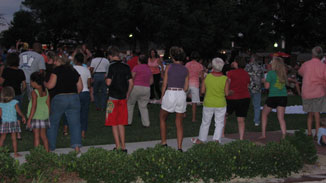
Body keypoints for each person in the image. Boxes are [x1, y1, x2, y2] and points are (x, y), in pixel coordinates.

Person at [45, 54, 83, 153]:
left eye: (55, 61)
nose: (54, 62)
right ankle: (77, 147)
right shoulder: (73, 70)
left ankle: (50, 147)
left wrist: (43, 83)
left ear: (59, 61)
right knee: (75, 124)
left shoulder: (56, 70)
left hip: (60, 98)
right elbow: (80, 87)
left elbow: (50, 86)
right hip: (74, 97)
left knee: (53, 123)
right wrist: (72, 95)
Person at [191, 57, 229, 144]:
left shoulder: (207, 77)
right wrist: (231, 92)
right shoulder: (225, 79)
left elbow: (202, 91)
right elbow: (226, 93)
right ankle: (216, 140)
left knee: (205, 122)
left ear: (212, 66)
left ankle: (202, 139)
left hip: (208, 102)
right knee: (219, 123)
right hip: (220, 103)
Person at [160, 46, 189, 151]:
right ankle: (179, 147)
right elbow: (186, 88)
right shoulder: (186, 69)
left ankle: (164, 143)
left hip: (171, 93)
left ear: (172, 56)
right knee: (179, 123)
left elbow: (164, 84)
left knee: (163, 118)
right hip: (181, 94)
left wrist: (162, 96)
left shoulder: (169, 67)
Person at [105, 46, 133, 152]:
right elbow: (131, 82)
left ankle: (117, 146)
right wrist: (127, 94)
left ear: (111, 56)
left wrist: (105, 78)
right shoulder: (126, 66)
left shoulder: (110, 66)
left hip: (112, 98)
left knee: (113, 122)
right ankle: (124, 146)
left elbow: (108, 82)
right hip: (122, 98)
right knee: (121, 122)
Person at [298, 46, 326, 139]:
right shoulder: (323, 66)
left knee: (309, 113)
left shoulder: (306, 64)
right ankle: (317, 133)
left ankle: (309, 132)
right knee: (317, 112)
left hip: (307, 91)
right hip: (319, 91)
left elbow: (300, 73)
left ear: (313, 54)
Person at [259, 57, 288, 139]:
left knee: (264, 114)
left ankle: (263, 134)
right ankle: (284, 135)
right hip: (283, 96)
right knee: (281, 118)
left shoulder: (271, 73)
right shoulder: (283, 73)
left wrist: (264, 81)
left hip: (273, 96)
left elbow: (267, 87)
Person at [0, 53, 26, 140]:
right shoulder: (21, 71)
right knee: (17, 113)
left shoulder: (6, 71)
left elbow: (1, 82)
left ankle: (5, 129)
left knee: (5, 112)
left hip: (6, 95)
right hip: (17, 94)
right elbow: (24, 85)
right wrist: (21, 91)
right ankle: (18, 134)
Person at [224, 56, 250, 140]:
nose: (233, 63)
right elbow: (247, 85)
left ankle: (222, 134)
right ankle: (241, 138)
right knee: (241, 119)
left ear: (237, 63)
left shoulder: (231, 73)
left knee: (223, 115)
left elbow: (227, 84)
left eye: (234, 61)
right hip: (245, 98)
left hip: (232, 98)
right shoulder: (246, 73)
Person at [26, 72, 50, 152]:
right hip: (44, 115)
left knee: (36, 136)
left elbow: (34, 106)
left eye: (31, 81)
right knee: (43, 136)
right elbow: (48, 104)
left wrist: (29, 119)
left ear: (34, 81)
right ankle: (47, 152)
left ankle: (37, 156)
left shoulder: (34, 92)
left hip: (36, 115)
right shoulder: (46, 90)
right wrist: (48, 114)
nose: (30, 83)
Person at [127, 54, 153, 127]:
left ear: (139, 61)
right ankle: (146, 123)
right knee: (143, 106)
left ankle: (128, 122)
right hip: (146, 88)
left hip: (136, 87)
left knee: (130, 104)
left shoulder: (136, 67)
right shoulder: (148, 69)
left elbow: (131, 77)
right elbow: (151, 81)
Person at [0, 86, 26, 157]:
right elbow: (19, 112)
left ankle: (0, 152)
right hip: (13, 123)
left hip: (5, 122)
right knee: (14, 138)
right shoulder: (14, 102)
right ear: (12, 94)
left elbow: (0, 114)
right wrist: (23, 116)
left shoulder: (1, 104)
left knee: (2, 137)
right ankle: (15, 153)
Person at [73, 53, 91, 138]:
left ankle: (74, 131)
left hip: (75, 92)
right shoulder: (86, 70)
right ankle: (83, 132)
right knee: (84, 114)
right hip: (85, 92)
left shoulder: (72, 69)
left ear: (75, 60)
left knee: (74, 113)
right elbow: (89, 84)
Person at [245, 54, 264, 126]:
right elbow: (262, 79)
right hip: (257, 88)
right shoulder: (260, 67)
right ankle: (256, 121)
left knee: (246, 103)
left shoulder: (247, 66)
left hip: (248, 87)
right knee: (257, 105)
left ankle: (243, 117)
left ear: (251, 59)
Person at [185, 51, 204, 122]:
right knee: (194, 102)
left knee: (184, 99)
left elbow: (185, 74)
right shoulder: (200, 65)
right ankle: (193, 118)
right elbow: (202, 77)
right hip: (195, 84)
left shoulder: (187, 64)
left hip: (187, 83)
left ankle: (184, 113)